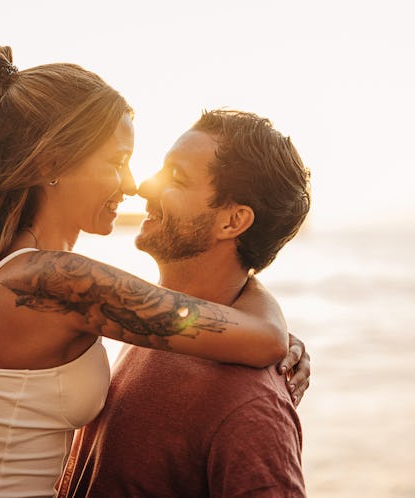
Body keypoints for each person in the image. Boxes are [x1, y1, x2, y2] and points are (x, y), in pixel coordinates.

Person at [0, 41, 309, 498]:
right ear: (52, 162)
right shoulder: (55, 281)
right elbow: (264, 340)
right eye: (117, 162)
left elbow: (210, 324)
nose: (133, 185)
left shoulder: (9, 265)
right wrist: (270, 318)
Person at [58, 109, 311, 497]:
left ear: (232, 222)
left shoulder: (251, 407)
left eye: (175, 178)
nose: (143, 187)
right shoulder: (159, 326)